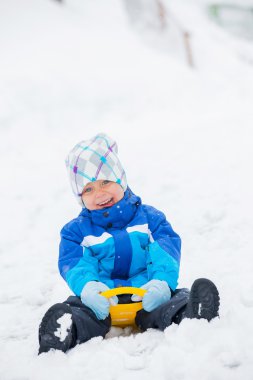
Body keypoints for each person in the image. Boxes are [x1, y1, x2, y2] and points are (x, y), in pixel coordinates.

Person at [38, 133, 220, 354]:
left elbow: (165, 249)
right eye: (88, 189)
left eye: (106, 181)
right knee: (77, 309)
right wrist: (88, 288)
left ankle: (193, 312)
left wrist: (161, 282)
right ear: (80, 197)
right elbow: (75, 262)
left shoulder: (150, 219)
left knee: (175, 299)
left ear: (121, 180)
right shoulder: (75, 232)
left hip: (147, 295)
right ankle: (65, 331)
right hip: (101, 300)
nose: (100, 193)